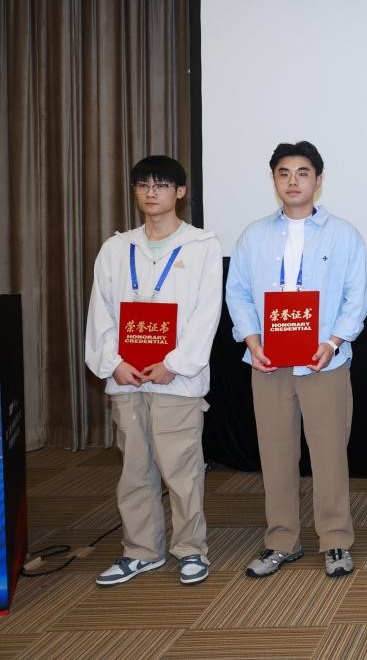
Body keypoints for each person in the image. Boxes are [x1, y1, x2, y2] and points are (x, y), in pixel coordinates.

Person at [225, 141, 367, 579]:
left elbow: (358, 295)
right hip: (268, 362)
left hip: (323, 362)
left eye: (303, 173)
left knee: (329, 455)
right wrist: (252, 341)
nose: (293, 181)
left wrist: (334, 341)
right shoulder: (253, 236)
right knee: (275, 453)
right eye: (284, 173)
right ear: (274, 180)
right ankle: (281, 541)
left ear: (318, 180)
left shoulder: (343, 234)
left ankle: (335, 540)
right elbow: (238, 293)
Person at [85, 155, 222, 586]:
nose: (151, 193)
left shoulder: (202, 245)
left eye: (161, 185)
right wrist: (114, 363)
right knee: (134, 470)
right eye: (143, 185)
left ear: (179, 192)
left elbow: (206, 314)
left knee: (182, 471)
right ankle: (141, 551)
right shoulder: (116, 248)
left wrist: (174, 364)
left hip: (176, 379)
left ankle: (190, 549)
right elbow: (101, 312)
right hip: (127, 378)